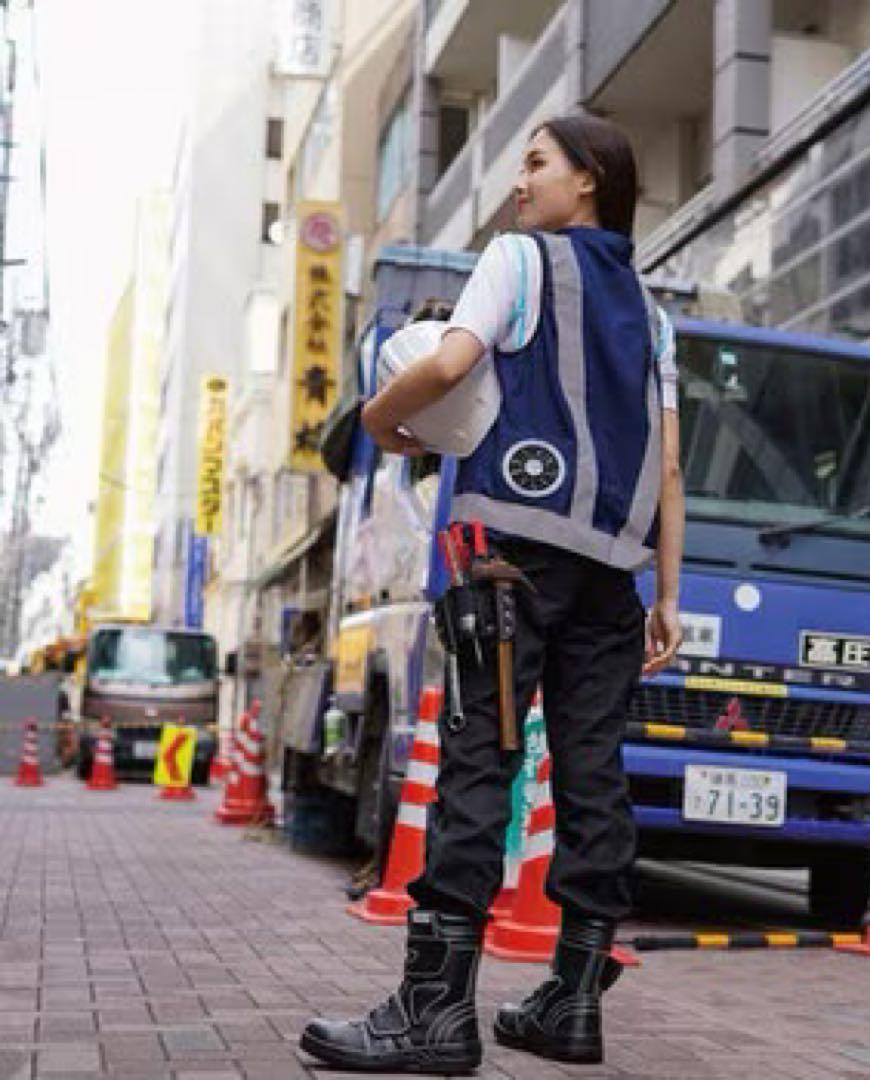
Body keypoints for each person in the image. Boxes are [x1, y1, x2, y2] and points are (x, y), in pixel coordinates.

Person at [302, 112, 685, 1074]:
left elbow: (447, 363)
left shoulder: (519, 260)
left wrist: (382, 425)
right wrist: (668, 594)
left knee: (481, 762)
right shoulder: (653, 308)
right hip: (614, 574)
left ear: (587, 178)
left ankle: (433, 1012)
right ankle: (571, 999)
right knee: (592, 771)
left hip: (510, 555)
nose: (520, 183)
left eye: (537, 163)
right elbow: (670, 467)